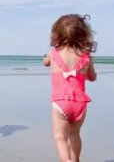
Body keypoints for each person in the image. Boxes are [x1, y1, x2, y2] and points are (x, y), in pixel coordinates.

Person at [43, 14, 97, 162]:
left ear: (56, 34)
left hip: (60, 102)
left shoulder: (53, 53)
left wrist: (46, 57)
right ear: (83, 34)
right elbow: (92, 77)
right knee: (75, 134)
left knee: (60, 137)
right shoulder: (86, 56)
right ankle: (75, 160)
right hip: (80, 102)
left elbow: (45, 62)